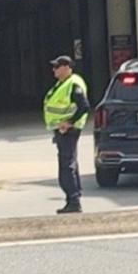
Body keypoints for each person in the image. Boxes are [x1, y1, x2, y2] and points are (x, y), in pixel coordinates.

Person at [44, 55, 91, 214]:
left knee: (66, 165)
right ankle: (73, 199)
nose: (54, 70)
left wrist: (69, 122)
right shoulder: (62, 83)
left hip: (68, 131)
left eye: (57, 67)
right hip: (63, 130)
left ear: (66, 67)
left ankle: (73, 200)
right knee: (70, 163)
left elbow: (84, 107)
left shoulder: (73, 84)